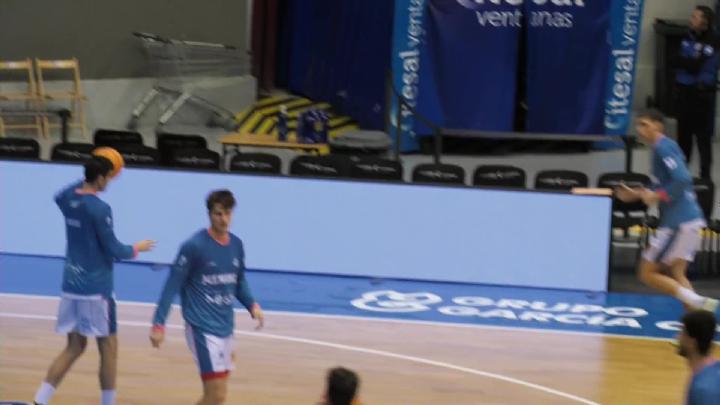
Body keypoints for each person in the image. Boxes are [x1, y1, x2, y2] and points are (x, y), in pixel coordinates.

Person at [33, 156, 155, 405]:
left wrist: (87, 175)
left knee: (74, 347)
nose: (109, 181)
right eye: (108, 176)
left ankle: (40, 400)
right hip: (96, 290)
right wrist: (137, 248)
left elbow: (59, 195)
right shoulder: (100, 209)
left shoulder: (68, 199)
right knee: (108, 348)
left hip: (71, 285)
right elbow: (114, 249)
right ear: (100, 178)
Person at [149, 189, 264, 405]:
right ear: (209, 214)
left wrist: (252, 305)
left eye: (227, 213)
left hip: (226, 326)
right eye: (218, 214)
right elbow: (171, 287)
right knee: (215, 394)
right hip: (201, 327)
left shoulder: (237, 245)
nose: (224, 219)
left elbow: (238, 281)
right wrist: (158, 324)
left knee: (217, 397)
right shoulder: (194, 246)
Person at [615, 109, 718, 315]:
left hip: (678, 223)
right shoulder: (663, 148)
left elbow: (683, 179)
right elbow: (664, 184)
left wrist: (657, 196)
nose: (640, 129)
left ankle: (699, 302)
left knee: (646, 273)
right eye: (638, 125)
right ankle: (696, 323)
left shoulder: (663, 147)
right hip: (690, 220)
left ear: (658, 125)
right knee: (678, 274)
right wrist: (637, 193)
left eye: (645, 124)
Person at [675, 5, 720, 180]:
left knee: (703, 139)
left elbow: (694, 66)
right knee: (683, 137)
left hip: (702, 95)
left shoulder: (713, 40)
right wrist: (686, 61)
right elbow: (674, 60)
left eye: (695, 17)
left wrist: (685, 61)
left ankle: (705, 179)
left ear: (705, 21)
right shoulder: (687, 36)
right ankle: (681, 176)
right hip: (684, 93)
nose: (691, 19)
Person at [677, 310, 720, 404]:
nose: (677, 338)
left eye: (681, 333)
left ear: (692, 342)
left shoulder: (702, 389)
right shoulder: (714, 368)